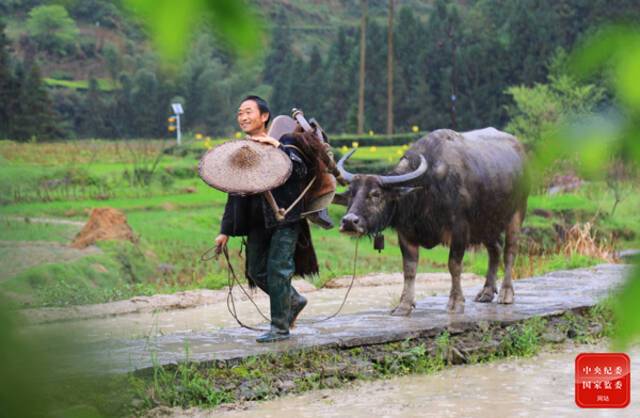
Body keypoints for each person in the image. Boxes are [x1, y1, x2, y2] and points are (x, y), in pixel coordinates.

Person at [214, 95, 311, 343]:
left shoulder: (285, 142)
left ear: (264, 116)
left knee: (278, 270)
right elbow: (233, 192)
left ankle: (279, 328)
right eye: (240, 113)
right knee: (256, 272)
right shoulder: (241, 152)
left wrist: (276, 148)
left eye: (248, 112)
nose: (243, 117)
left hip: (284, 218)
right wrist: (225, 230)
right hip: (256, 222)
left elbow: (301, 170)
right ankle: (294, 299)